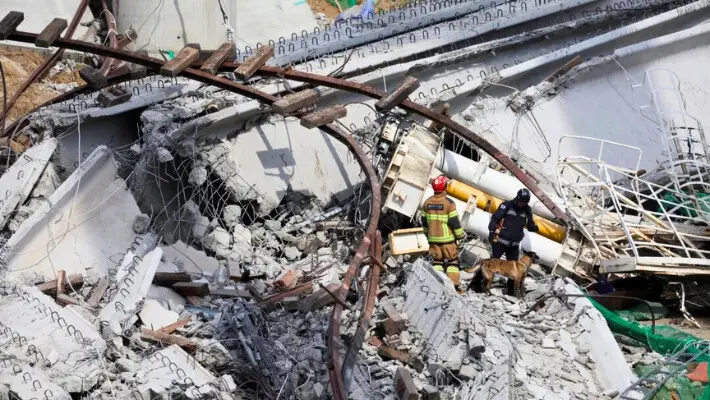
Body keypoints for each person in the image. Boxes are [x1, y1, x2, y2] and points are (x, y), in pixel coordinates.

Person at [487, 188, 539, 295]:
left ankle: (510, 292)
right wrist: (491, 231)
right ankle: (482, 286)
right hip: (500, 242)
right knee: (492, 266)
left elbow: (530, 225)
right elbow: (495, 218)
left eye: (524, 203)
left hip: (514, 245)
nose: (521, 204)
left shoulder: (527, 210)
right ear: (517, 198)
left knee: (514, 270)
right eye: (521, 202)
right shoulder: (506, 205)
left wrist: (533, 227)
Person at [421, 175, 466, 291]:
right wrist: (460, 235)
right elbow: (454, 222)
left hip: (433, 240)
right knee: (453, 263)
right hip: (447, 240)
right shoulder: (449, 203)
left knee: (437, 262)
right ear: (445, 187)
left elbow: (424, 222)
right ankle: (454, 287)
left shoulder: (427, 203)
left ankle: (438, 285)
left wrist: (428, 236)